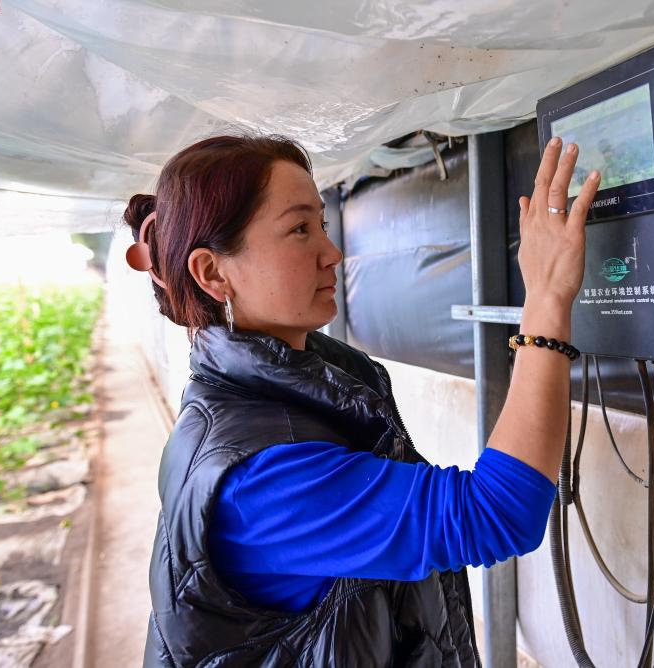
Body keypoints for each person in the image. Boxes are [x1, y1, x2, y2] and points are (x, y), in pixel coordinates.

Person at [127, 133, 600, 667]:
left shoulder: (260, 397)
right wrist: (547, 296)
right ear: (214, 273)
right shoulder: (259, 477)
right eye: (300, 229)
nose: (333, 253)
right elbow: (495, 513)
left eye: (323, 225)